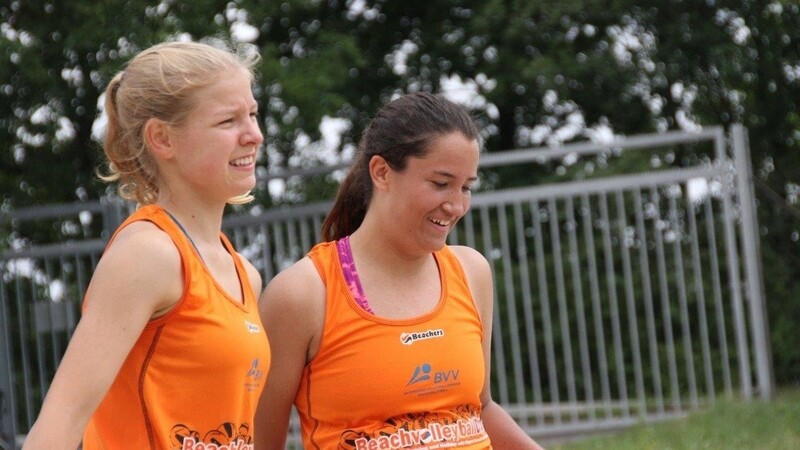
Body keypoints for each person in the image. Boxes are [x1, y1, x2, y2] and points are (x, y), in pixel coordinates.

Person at [255, 92, 544, 449]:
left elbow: (479, 409)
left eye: (466, 187)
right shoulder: (303, 293)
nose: (456, 205)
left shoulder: (471, 272)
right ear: (381, 172)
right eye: (440, 183)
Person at [23, 40, 269, 450]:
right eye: (228, 121)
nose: (254, 135)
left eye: (253, 114)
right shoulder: (149, 254)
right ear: (162, 139)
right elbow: (59, 425)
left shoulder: (246, 273)